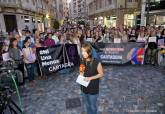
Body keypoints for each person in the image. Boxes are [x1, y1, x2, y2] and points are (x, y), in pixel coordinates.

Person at [80, 43, 104, 114]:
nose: (82, 53)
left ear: (89, 52)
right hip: (84, 87)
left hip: (93, 88)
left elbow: (101, 74)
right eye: (82, 51)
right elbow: (81, 71)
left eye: (84, 51)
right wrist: (81, 75)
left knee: (93, 106)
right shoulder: (82, 61)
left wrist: (90, 78)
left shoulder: (96, 62)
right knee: (87, 105)